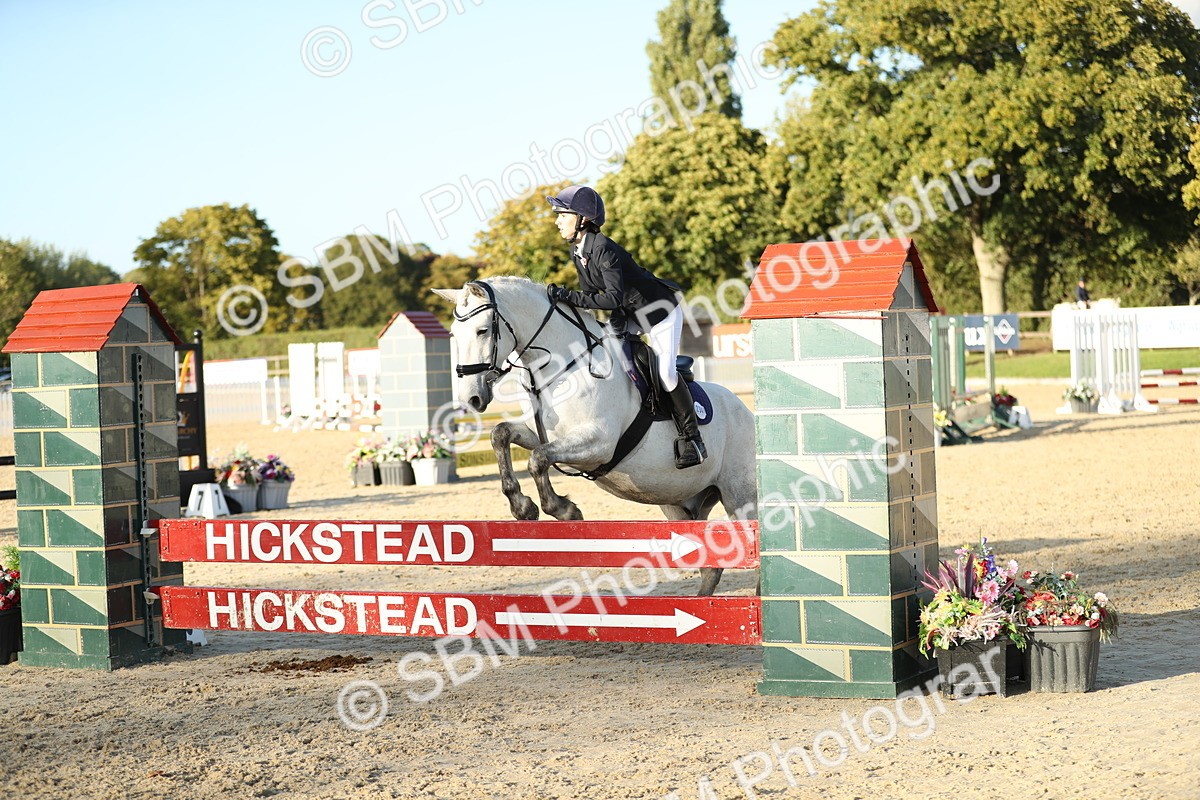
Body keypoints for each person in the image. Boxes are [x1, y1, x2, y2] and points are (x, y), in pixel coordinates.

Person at [544, 185, 706, 469]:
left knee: (665, 373)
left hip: (659, 313)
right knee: (610, 354)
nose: (557, 220)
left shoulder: (604, 249)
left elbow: (609, 297)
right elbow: (596, 297)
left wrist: (567, 296)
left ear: (582, 218)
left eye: (563, 214)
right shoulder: (579, 251)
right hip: (629, 312)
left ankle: (692, 439)